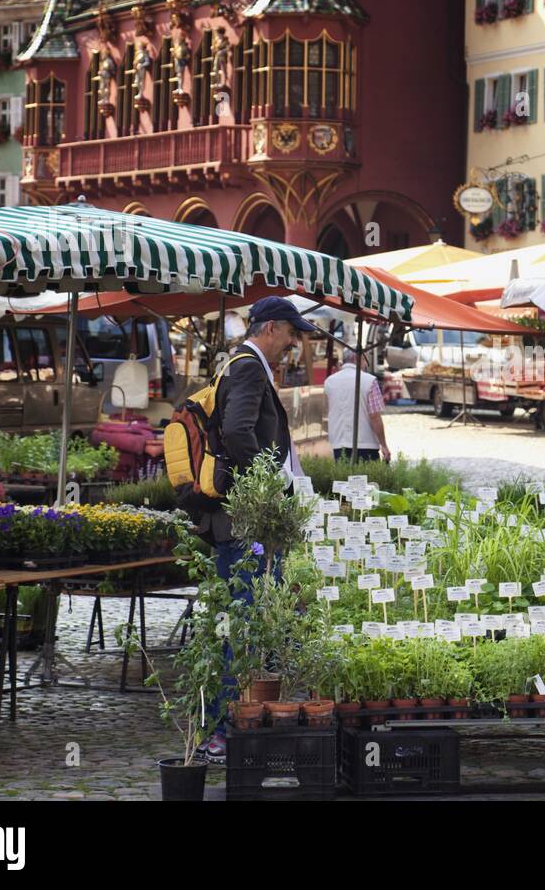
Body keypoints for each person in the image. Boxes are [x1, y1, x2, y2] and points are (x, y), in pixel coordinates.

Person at [199, 296, 312, 760]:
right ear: (269, 328)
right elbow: (239, 432)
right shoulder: (247, 367)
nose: (293, 342)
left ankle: (244, 721)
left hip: (250, 520)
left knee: (252, 622)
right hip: (247, 521)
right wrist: (268, 486)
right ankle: (222, 732)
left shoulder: (247, 365)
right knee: (240, 624)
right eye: (290, 332)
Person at [324, 348, 391, 463]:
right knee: (367, 480)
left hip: (338, 445)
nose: (366, 365)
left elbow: (327, 410)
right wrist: (383, 445)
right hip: (366, 445)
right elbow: (375, 416)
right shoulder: (369, 381)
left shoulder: (329, 382)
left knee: (343, 479)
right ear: (357, 358)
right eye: (365, 361)